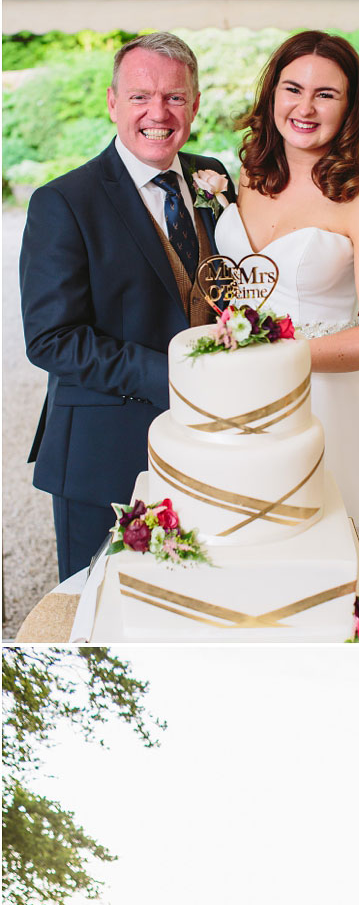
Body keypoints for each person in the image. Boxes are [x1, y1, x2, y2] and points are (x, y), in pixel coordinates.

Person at [212, 30, 359, 589]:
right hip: (237, 396)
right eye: (293, 88)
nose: (305, 107)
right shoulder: (245, 177)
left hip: (329, 402)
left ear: (350, 107)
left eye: (327, 94)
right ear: (272, 95)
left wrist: (278, 356)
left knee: (329, 569)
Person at [19, 33, 236, 579]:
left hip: (212, 445)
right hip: (104, 452)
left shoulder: (212, 177)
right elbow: (51, 338)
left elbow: (226, 285)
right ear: (113, 102)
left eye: (175, 98)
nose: (158, 113)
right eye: (140, 97)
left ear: (195, 103)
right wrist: (179, 379)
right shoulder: (64, 202)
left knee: (201, 595)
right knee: (102, 608)